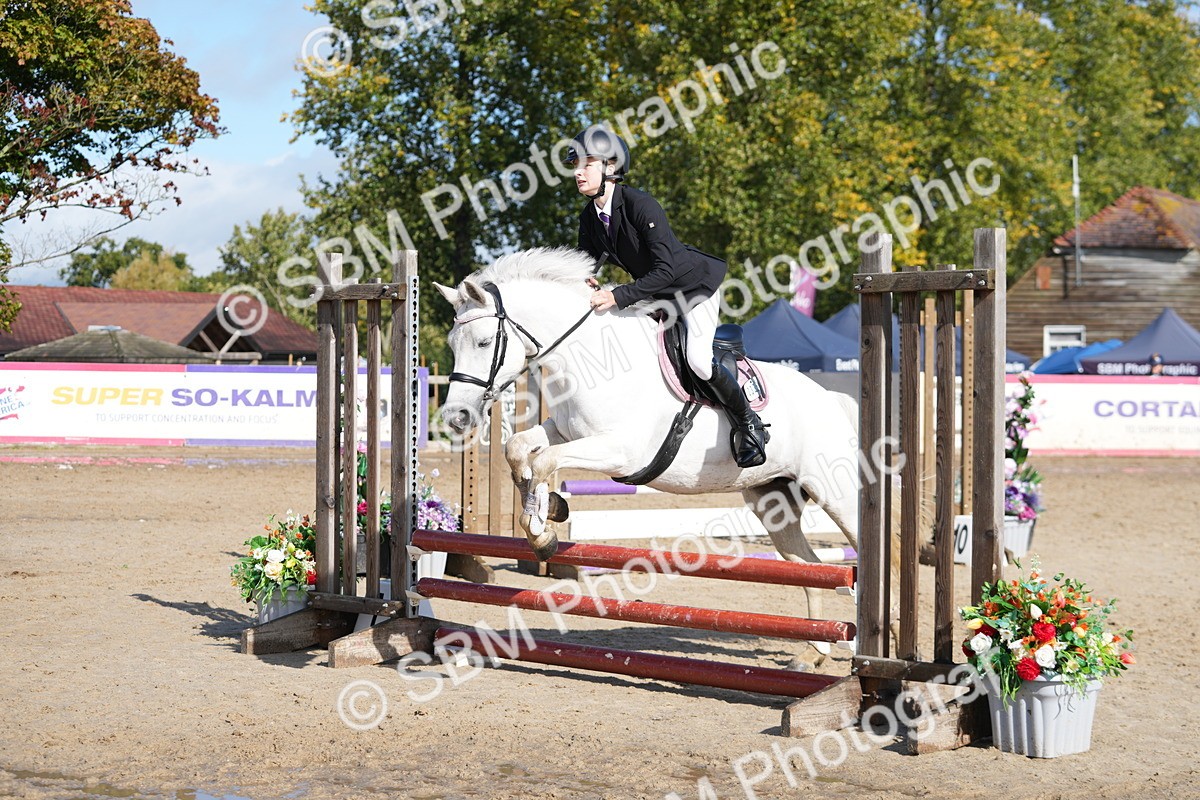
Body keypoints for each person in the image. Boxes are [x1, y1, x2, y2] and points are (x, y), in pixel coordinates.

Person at [565, 126, 769, 468]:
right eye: (575, 164)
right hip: (655, 294)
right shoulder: (589, 218)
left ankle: (750, 425)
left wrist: (617, 295)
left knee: (699, 361)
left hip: (693, 287)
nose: (577, 171)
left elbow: (666, 270)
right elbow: (586, 264)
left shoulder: (642, 205)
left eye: (587, 163)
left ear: (610, 167)